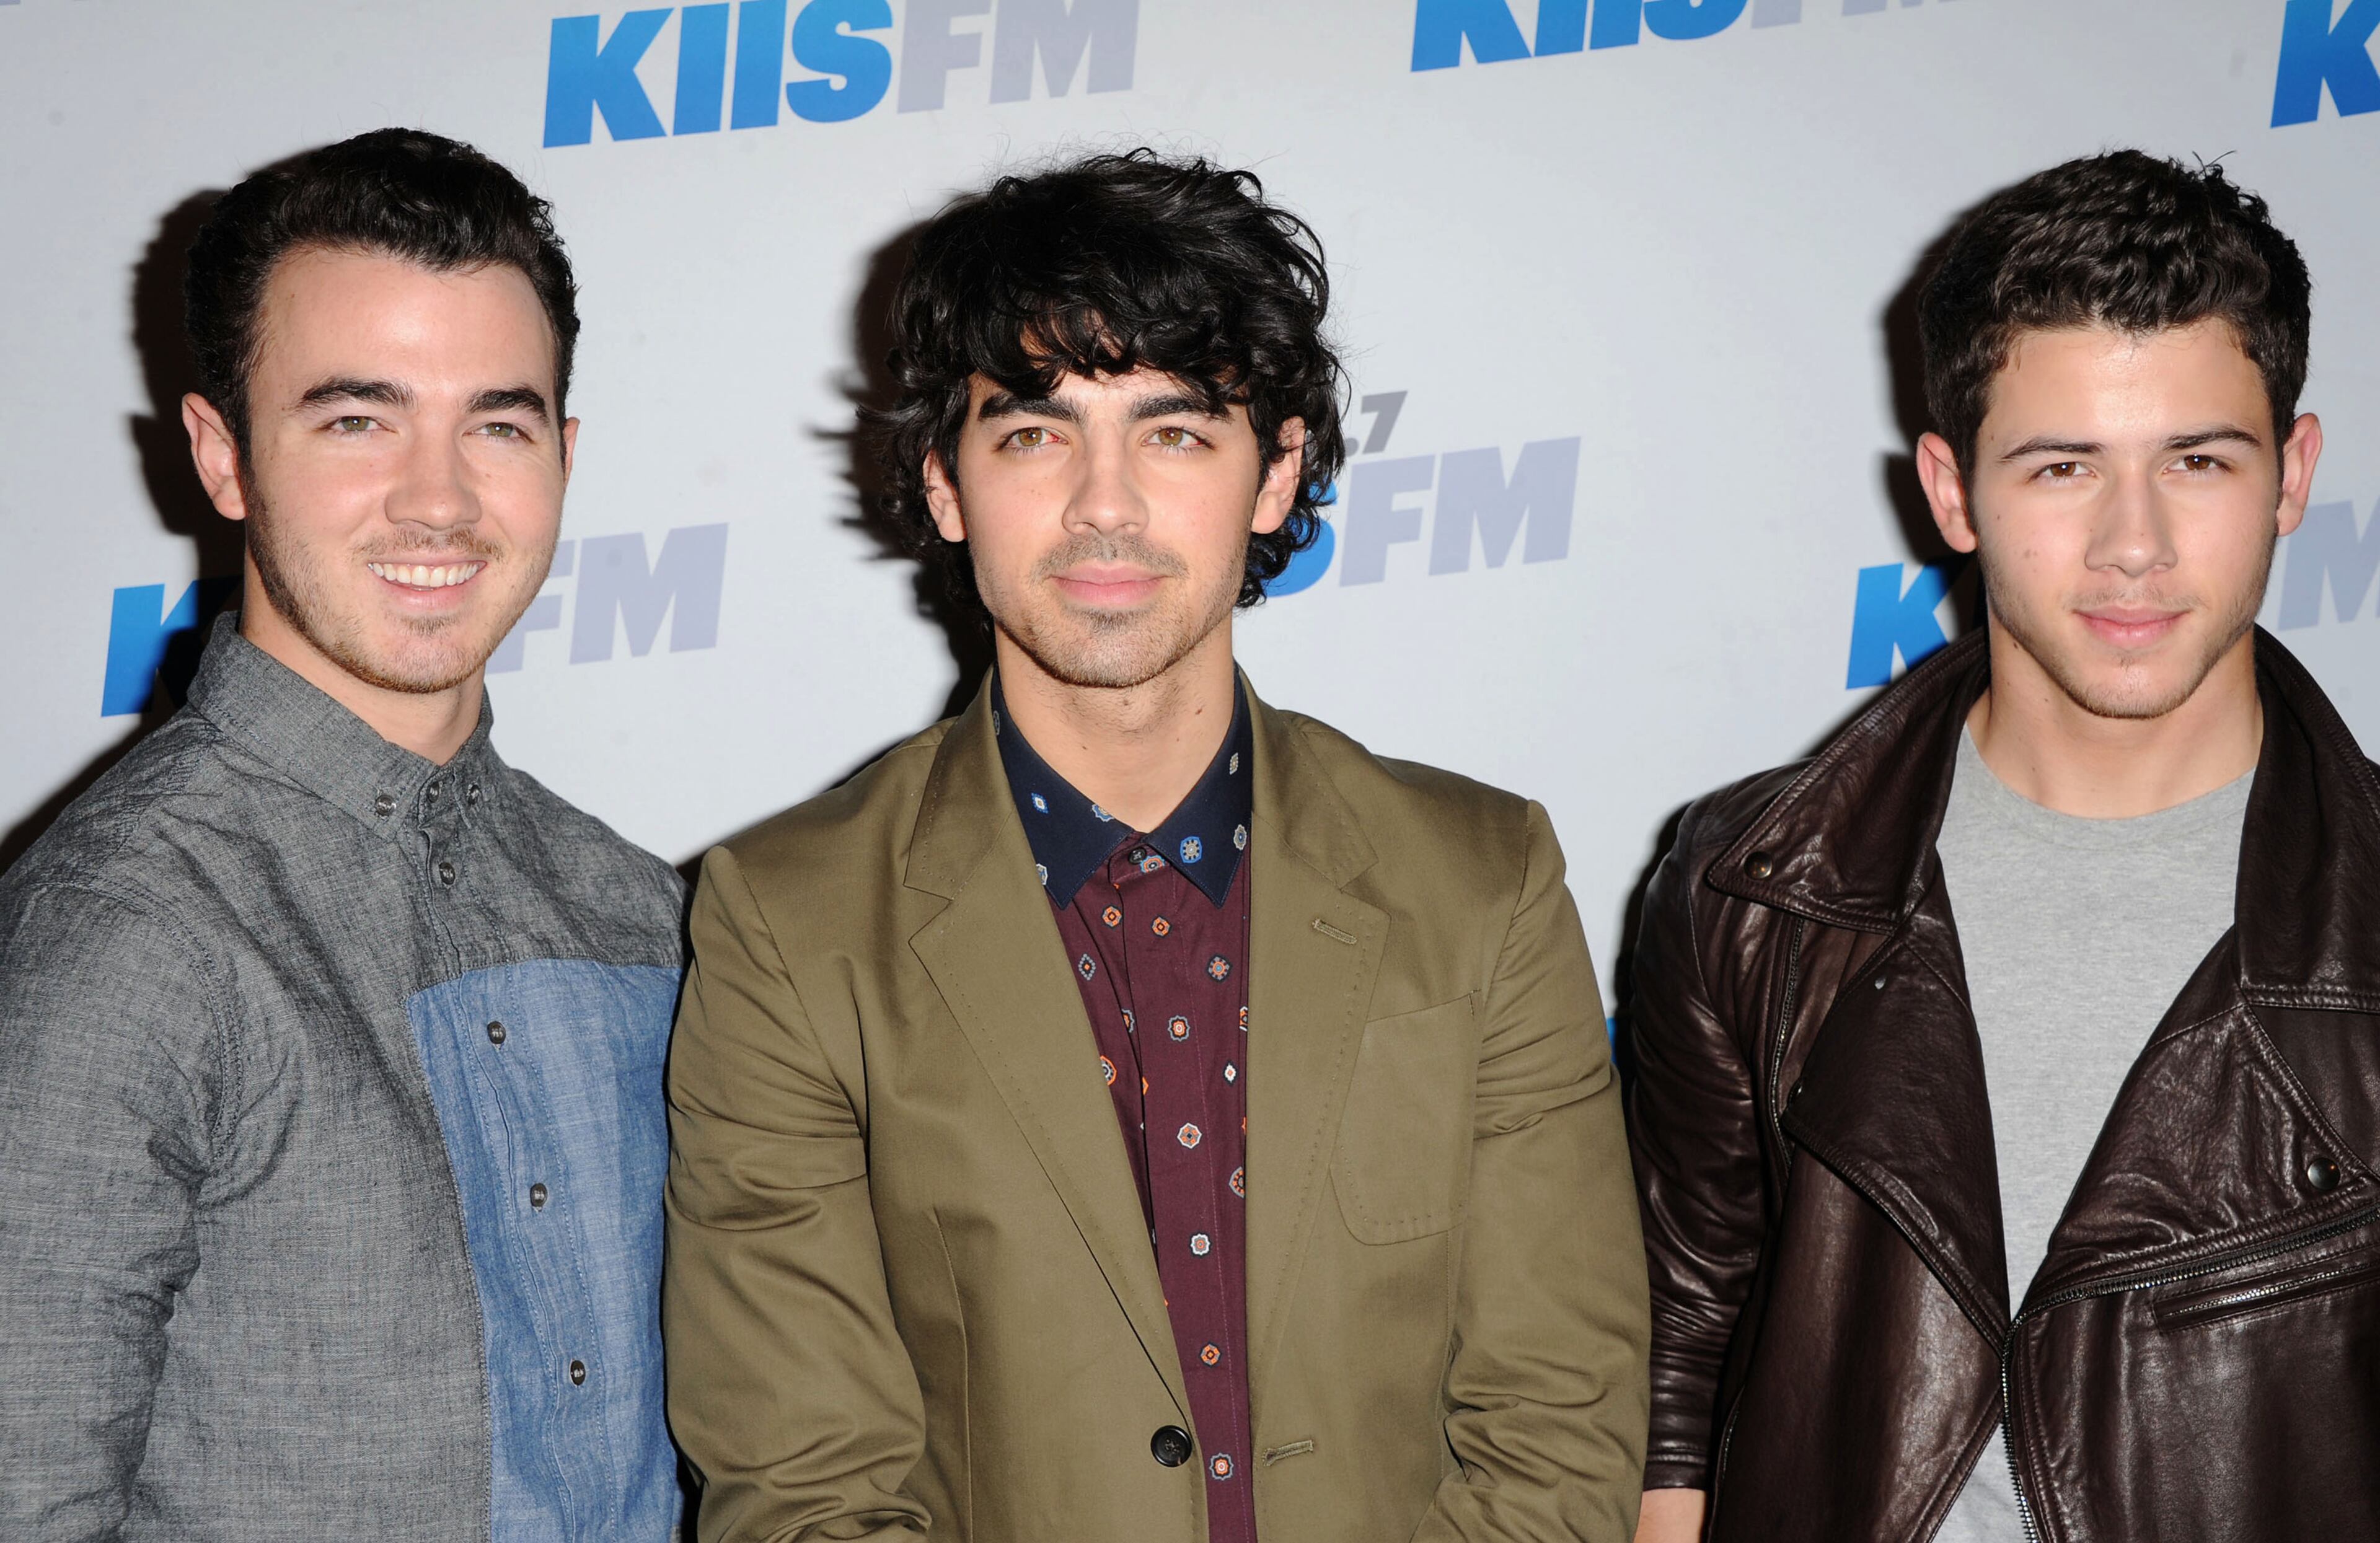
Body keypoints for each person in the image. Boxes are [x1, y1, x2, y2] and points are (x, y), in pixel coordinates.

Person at [663, 149, 1649, 1543]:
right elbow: (807, 1484)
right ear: (944, 483)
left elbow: (1559, 1427)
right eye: (1035, 434)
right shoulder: (786, 921)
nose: (1105, 506)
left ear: (1276, 472)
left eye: (1175, 432)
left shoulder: (1483, 880)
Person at [1628, 150, 2380, 1542]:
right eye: (2061, 468)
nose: (2135, 546)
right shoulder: (1748, 889)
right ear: (1953, 491)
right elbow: (1685, 1344)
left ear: (2295, 474)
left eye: (2199, 461)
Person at [0, 129, 686, 1540]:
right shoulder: (123, 932)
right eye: (356, 418)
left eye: (495, 423)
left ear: (563, 456)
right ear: (224, 456)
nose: (438, 498)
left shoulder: (642, 913)